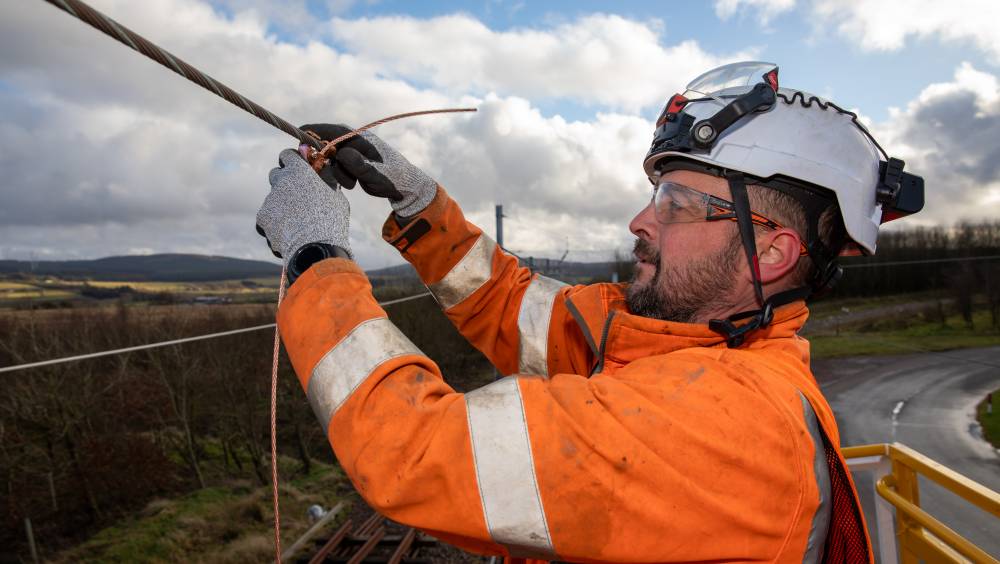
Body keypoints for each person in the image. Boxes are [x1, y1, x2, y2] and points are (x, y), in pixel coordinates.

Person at [255, 62, 923, 563]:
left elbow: (413, 450)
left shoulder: (725, 425)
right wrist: (421, 207)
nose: (640, 221)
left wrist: (316, 257)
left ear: (771, 252)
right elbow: (513, 306)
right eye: (655, 194)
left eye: (677, 205)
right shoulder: (672, 343)